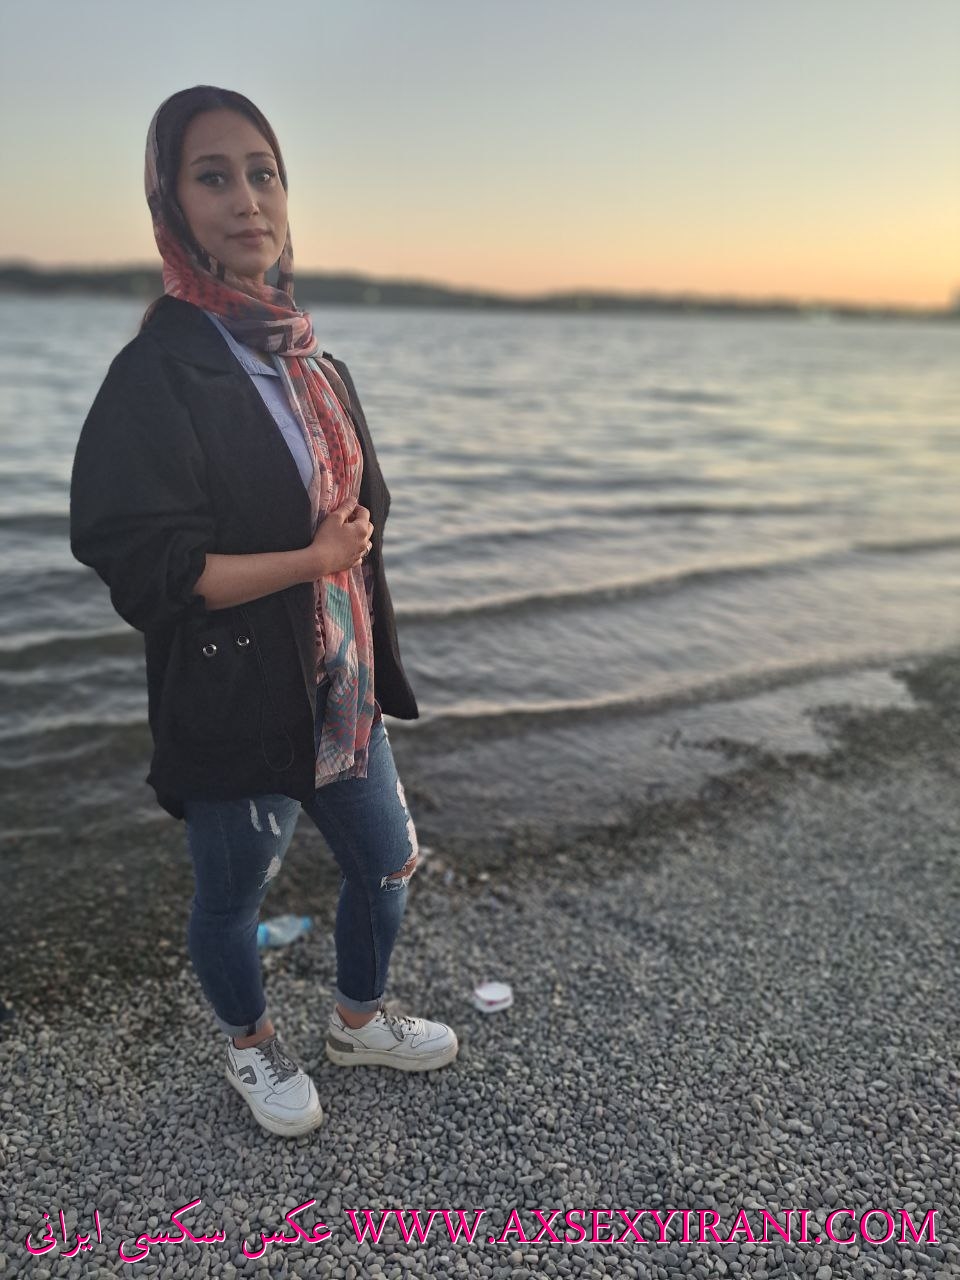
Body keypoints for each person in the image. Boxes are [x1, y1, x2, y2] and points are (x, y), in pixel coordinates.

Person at [70, 86, 457, 1138]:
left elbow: (360, 522)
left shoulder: (317, 363)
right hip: (235, 693)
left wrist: (346, 554)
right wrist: (312, 558)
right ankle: (251, 1044)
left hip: (343, 686)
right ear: (172, 205)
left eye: (263, 173)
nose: (247, 199)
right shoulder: (157, 373)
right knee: (232, 898)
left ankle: (357, 1021)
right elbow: (147, 568)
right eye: (213, 176)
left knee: (387, 862)